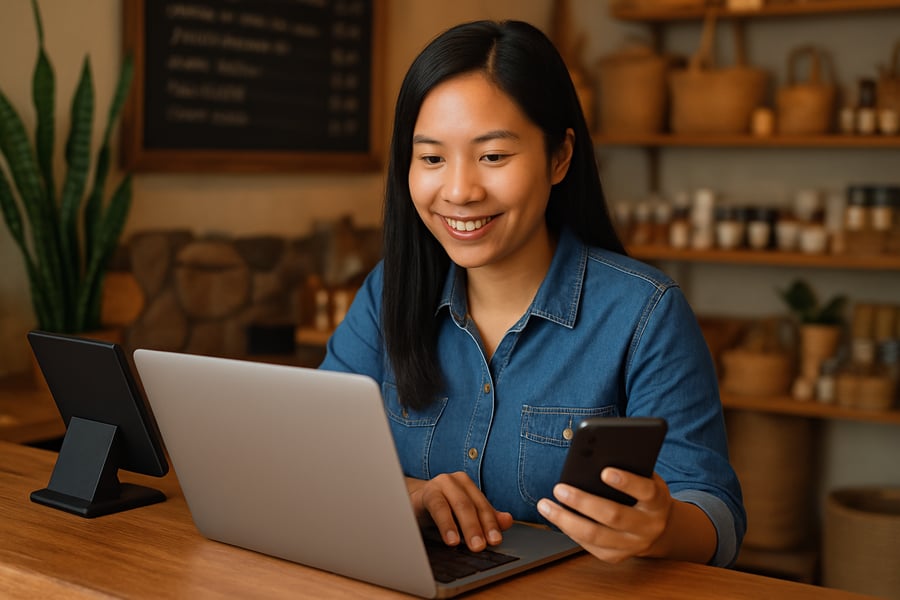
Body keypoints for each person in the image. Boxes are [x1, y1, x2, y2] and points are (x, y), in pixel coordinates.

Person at [319, 19, 745, 568]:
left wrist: (660, 528)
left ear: (560, 157)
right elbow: (323, 454)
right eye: (431, 158)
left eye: (493, 156)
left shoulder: (645, 313)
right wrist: (415, 495)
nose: (458, 191)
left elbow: (716, 513)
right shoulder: (388, 292)